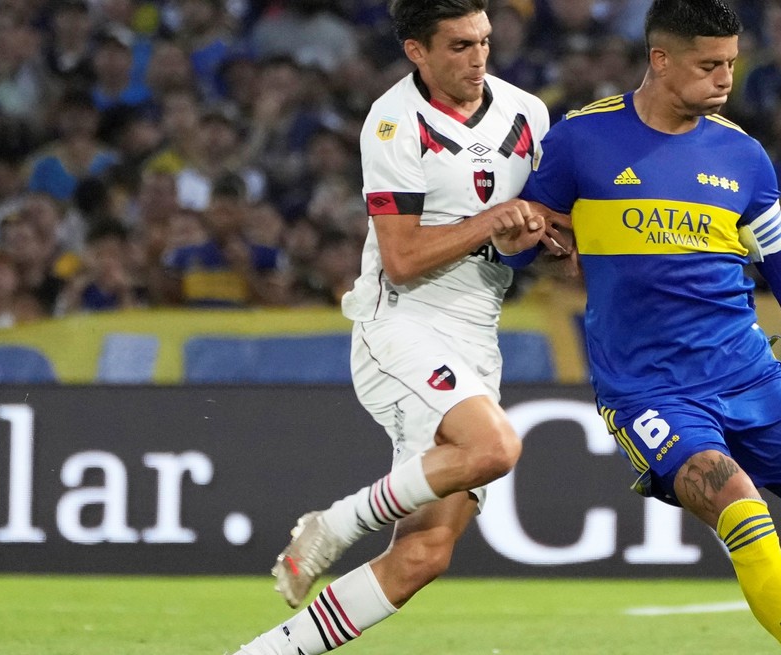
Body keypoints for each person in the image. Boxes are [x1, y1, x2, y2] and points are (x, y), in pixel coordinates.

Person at [509, 1, 781, 653]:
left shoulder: (742, 156)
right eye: (709, 64)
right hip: (649, 389)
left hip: (749, 374)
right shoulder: (581, 140)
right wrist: (527, 235)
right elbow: (518, 249)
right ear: (660, 60)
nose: (724, 79)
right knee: (738, 502)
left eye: (732, 64)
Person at [232, 1, 554, 653]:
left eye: (484, 42)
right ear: (417, 51)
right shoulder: (393, 122)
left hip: (476, 334)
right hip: (401, 323)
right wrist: (490, 223)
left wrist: (533, 237)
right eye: (459, 46)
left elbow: (519, 247)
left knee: (424, 555)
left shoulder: (527, 113)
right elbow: (402, 260)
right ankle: (334, 524)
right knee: (495, 447)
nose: (478, 58)